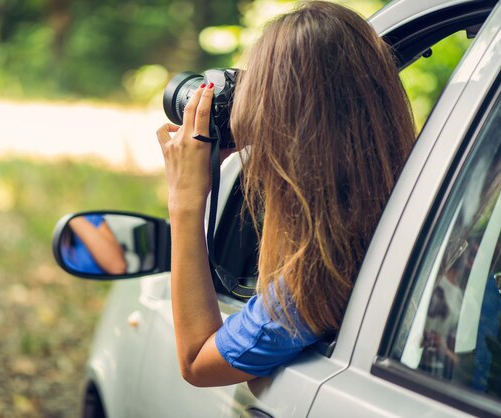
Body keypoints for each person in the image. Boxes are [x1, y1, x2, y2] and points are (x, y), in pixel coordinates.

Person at [156, 1, 416, 387]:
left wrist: (184, 199)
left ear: (284, 132)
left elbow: (196, 360)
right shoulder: (420, 213)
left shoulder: (323, 273)